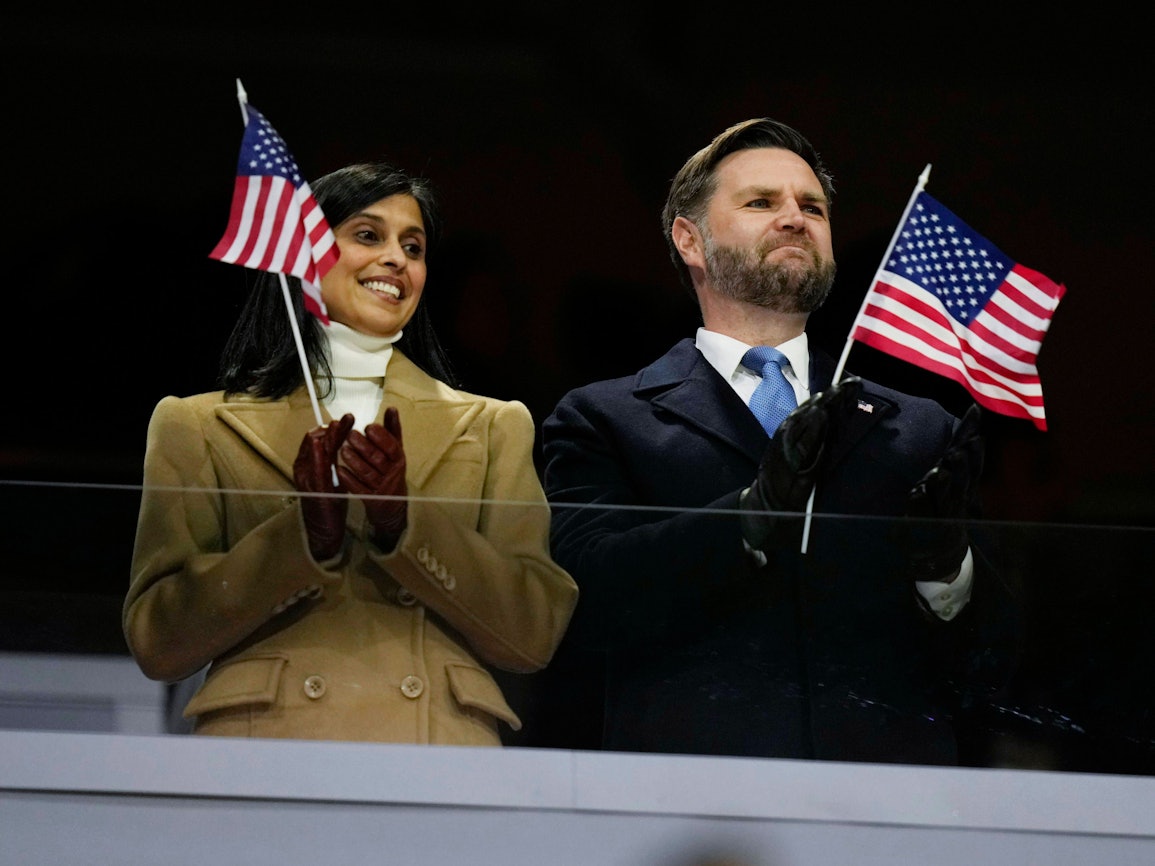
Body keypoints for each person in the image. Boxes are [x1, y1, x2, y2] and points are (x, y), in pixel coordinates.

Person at [541, 119, 1020, 764]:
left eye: (813, 206)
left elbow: (1002, 662)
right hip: (695, 808)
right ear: (690, 239)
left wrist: (946, 573)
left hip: (887, 801)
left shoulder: (921, 427)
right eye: (762, 202)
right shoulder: (603, 418)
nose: (796, 218)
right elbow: (581, 604)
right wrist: (749, 515)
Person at [124, 162, 578, 745]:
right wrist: (302, 536)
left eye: (412, 247)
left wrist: (404, 524)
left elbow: (533, 633)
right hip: (263, 749)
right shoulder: (197, 425)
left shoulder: (493, 426)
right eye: (369, 235)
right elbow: (158, 642)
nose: (397, 258)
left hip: (436, 752)